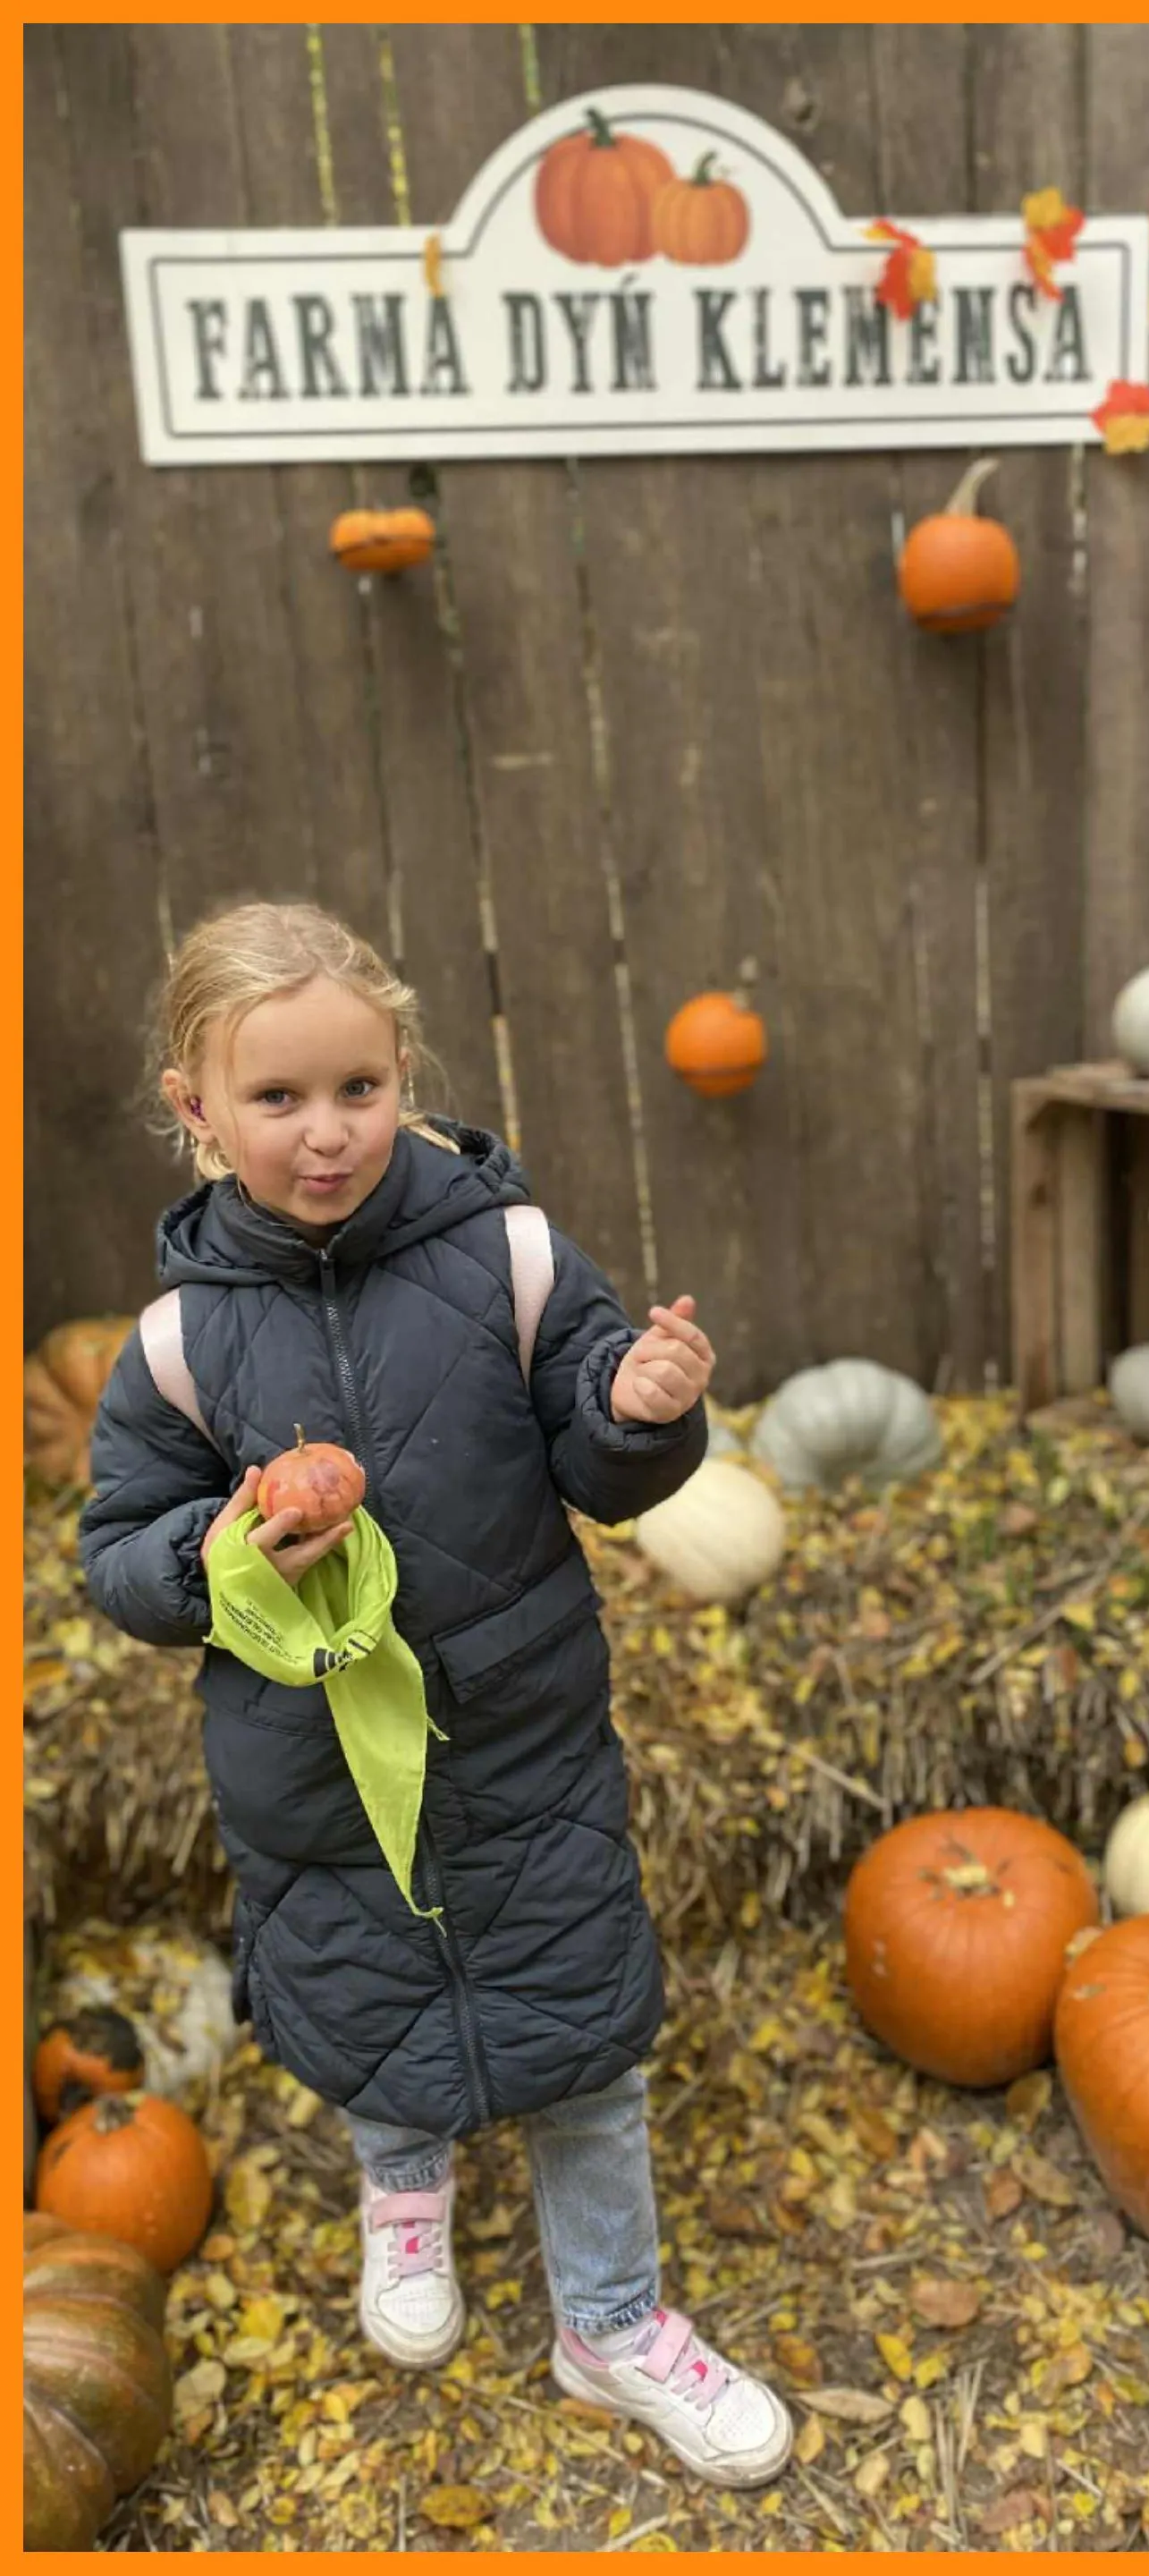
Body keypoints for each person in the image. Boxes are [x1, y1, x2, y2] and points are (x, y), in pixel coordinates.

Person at [79, 901, 791, 2488]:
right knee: (369, 2002)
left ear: (405, 1072)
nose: (325, 1133)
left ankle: (609, 2322)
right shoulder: (182, 1344)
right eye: (277, 1100)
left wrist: (638, 1406)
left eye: (359, 1088)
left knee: (588, 2057)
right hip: (314, 1774)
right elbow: (119, 1555)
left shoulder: (515, 1256)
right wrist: (224, 1536)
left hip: (525, 1750)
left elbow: (603, 1464)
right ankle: (405, 2200)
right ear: (196, 1111)